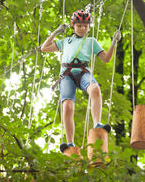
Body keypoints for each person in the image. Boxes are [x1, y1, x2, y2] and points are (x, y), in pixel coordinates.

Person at [41, 9, 121, 153]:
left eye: (85, 26)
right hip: (67, 74)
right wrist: (56, 32)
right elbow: (44, 48)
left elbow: (106, 58)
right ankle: (70, 142)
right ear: (73, 25)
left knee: (95, 89)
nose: (83, 29)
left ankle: (97, 123)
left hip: (84, 72)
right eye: (79, 26)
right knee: (67, 106)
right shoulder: (66, 41)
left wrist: (114, 43)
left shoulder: (91, 41)